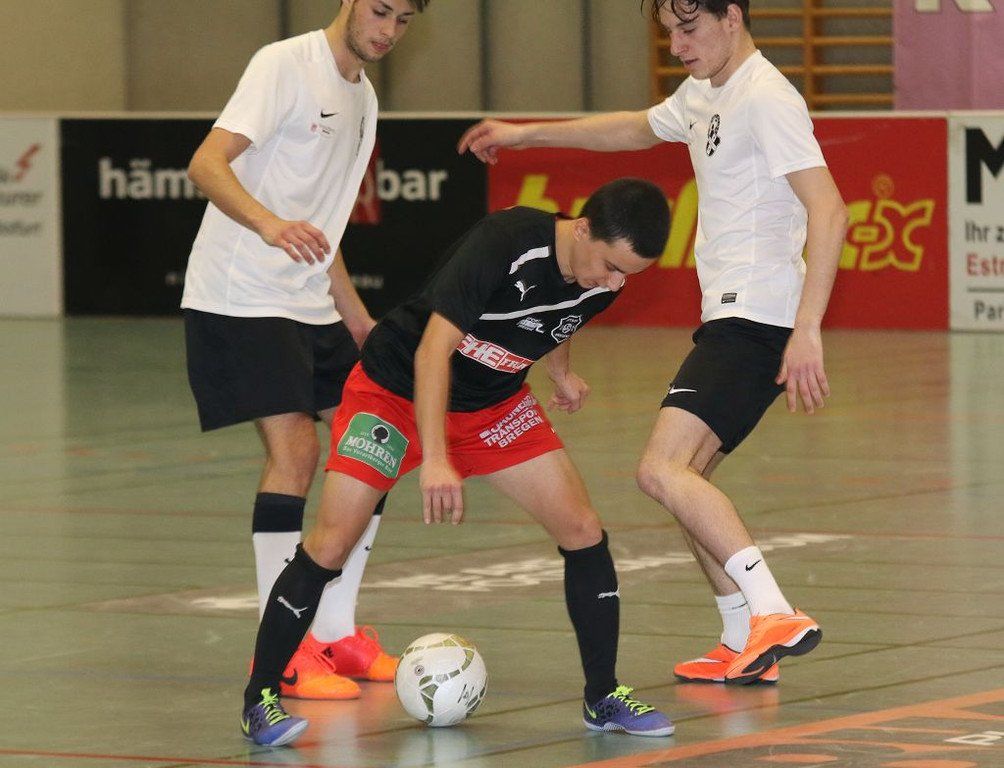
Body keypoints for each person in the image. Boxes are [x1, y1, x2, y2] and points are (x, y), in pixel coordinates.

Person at [458, 0, 848, 687]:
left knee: (659, 469)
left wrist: (808, 328)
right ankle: (742, 640)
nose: (676, 46)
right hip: (735, 317)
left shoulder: (766, 97)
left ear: (732, 18)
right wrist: (524, 134)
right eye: (669, 32)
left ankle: (773, 612)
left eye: (688, 29)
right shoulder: (703, 93)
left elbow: (830, 209)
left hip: (757, 317)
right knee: (688, 481)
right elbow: (631, 128)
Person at [239, 178, 675, 747]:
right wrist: (438, 459)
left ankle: (604, 697)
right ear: (583, 228)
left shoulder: (604, 276)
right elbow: (432, 352)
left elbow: (558, 317)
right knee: (331, 543)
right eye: (612, 267)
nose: (615, 283)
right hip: (395, 393)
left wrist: (560, 372)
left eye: (628, 274)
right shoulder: (504, 242)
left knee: (582, 529)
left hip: (492, 405)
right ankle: (260, 699)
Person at [182, 0, 430, 703]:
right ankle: (283, 651)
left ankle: (336, 632)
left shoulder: (364, 99)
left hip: (310, 299)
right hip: (240, 294)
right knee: (295, 451)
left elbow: (325, 226)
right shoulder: (284, 65)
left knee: (374, 442)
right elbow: (206, 163)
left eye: (403, 20)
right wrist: (268, 224)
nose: (387, 30)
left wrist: (357, 319)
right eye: (379, 11)